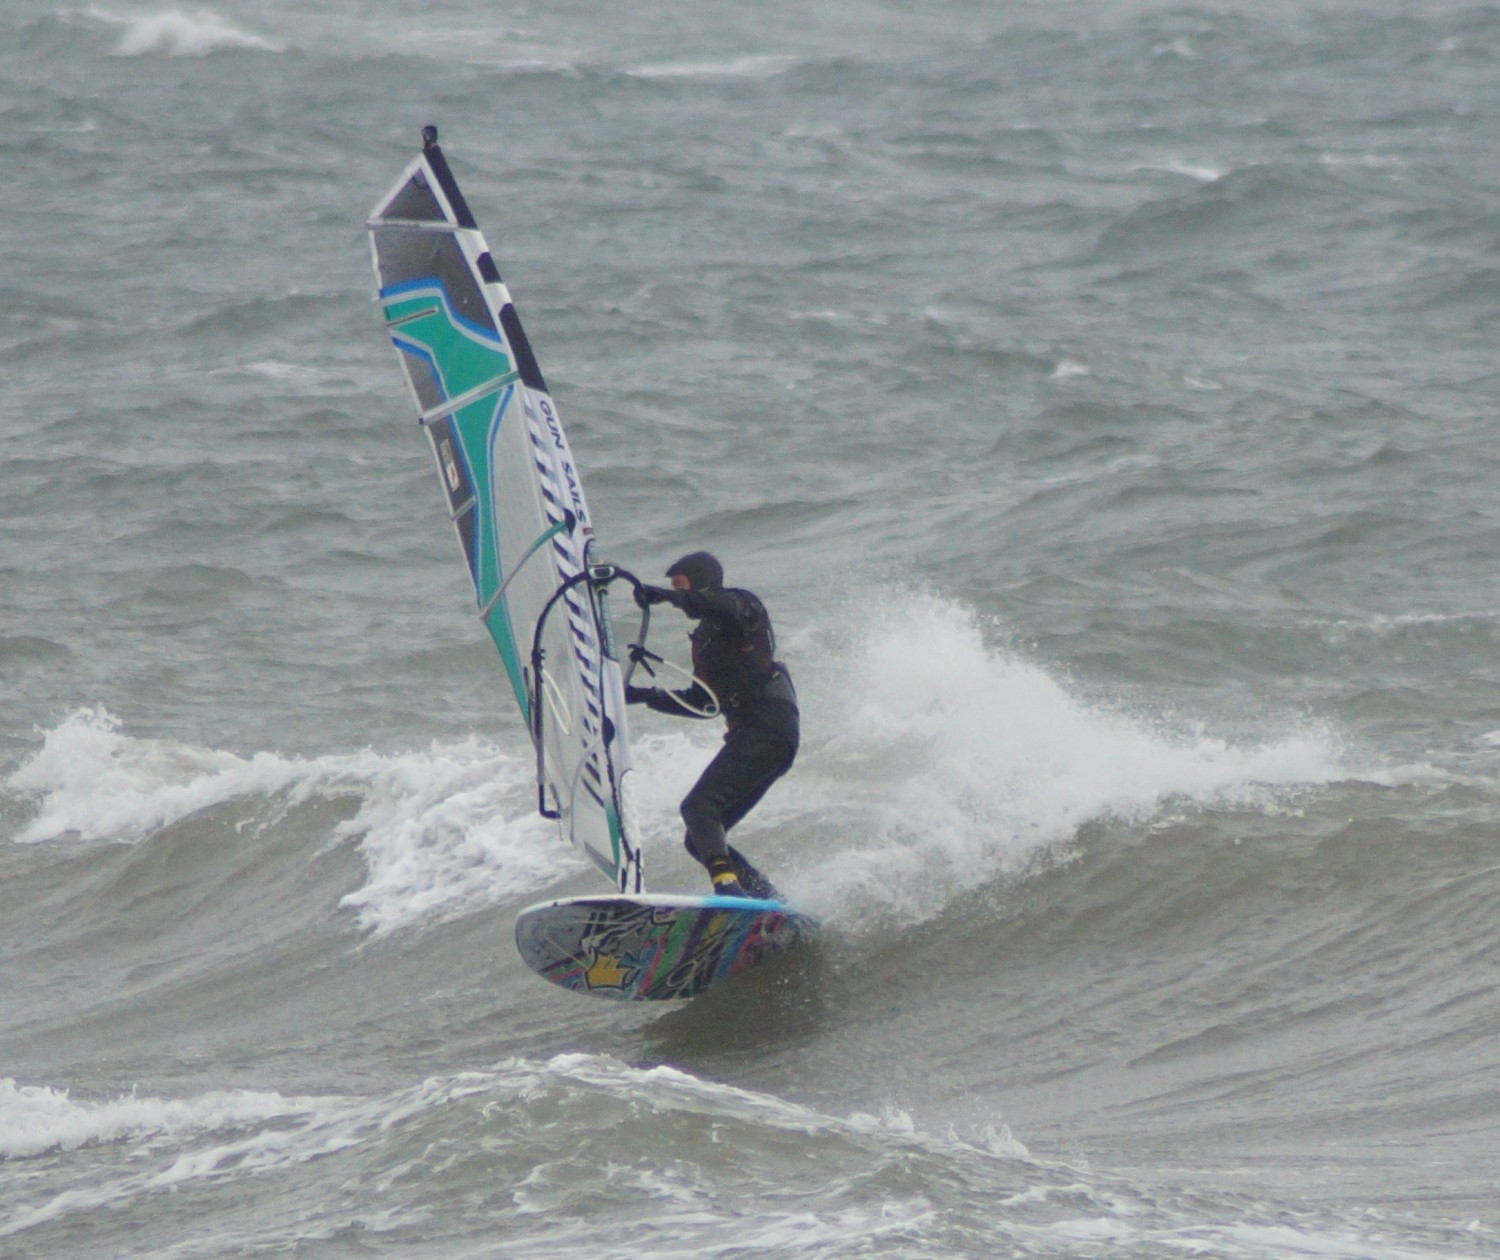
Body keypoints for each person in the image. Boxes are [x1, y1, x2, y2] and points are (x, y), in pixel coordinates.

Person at [626, 552, 798, 900]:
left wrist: (663, 596)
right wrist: (642, 695)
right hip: (758, 733)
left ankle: (728, 888)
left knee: (698, 808)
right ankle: (767, 899)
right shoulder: (705, 639)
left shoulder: (741, 606)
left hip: (769, 725)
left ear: (702, 582)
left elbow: (719, 606)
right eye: (674, 589)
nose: (678, 597)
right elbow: (705, 702)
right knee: (700, 835)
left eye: (681, 587)